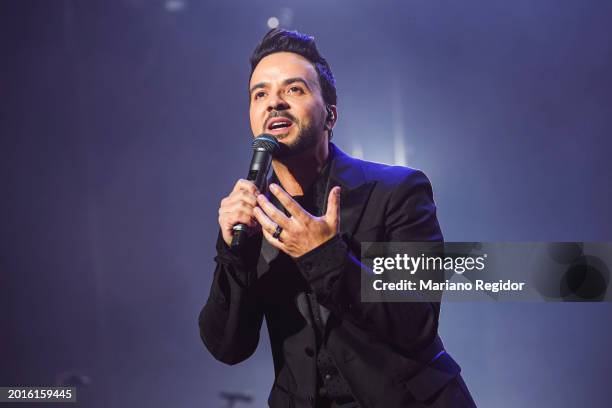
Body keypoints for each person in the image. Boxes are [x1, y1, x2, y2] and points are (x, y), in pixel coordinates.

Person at [199, 28, 476, 408]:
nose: (274, 102)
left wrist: (325, 256)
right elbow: (228, 347)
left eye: (293, 89)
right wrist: (231, 249)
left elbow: (418, 323)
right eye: (260, 93)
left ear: (330, 115)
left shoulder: (396, 191)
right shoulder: (253, 216)